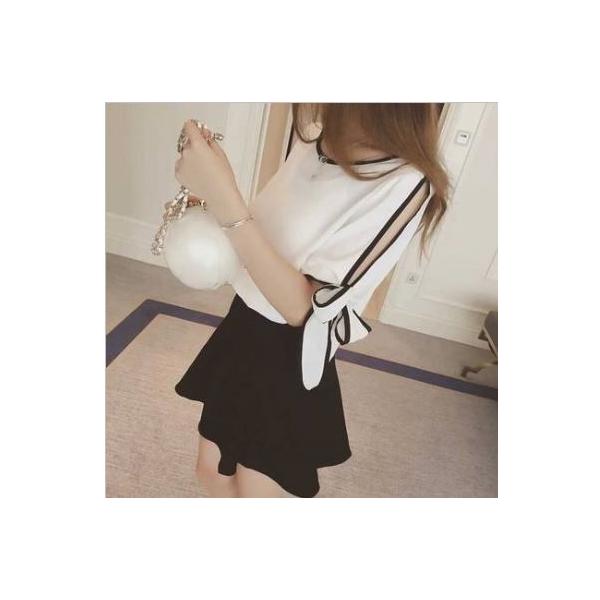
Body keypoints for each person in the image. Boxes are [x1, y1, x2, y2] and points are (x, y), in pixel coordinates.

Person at [174, 103, 449, 498]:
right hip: (242, 327)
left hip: (288, 357)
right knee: (211, 472)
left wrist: (224, 195)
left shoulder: (405, 183)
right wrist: (208, 192)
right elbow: (262, 241)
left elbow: (304, 309)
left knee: (255, 490)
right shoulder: (315, 137)